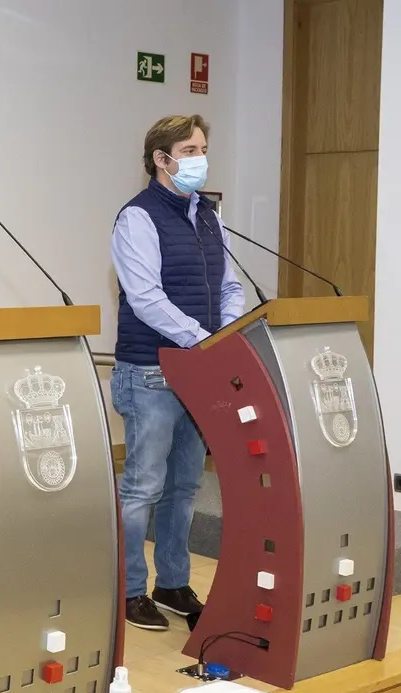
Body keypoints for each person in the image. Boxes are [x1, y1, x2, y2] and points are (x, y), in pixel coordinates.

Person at [110, 114, 245, 631]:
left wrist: (226, 334)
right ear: (161, 160)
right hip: (151, 371)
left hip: (201, 374)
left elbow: (230, 287)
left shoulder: (209, 215)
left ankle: (172, 582)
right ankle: (127, 590)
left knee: (184, 487)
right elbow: (145, 297)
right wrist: (201, 339)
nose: (199, 158)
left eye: (203, 148)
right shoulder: (137, 218)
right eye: (188, 150)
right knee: (142, 487)